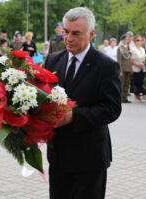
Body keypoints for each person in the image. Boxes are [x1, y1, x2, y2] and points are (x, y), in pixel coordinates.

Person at [43, 7, 121, 199]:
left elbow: (112, 109)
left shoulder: (106, 66)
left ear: (91, 34)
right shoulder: (53, 61)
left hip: (89, 158)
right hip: (59, 155)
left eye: (76, 33)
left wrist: (74, 117)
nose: (68, 38)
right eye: (66, 31)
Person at [131, 35, 146, 102]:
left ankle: (139, 96)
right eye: (137, 40)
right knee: (135, 82)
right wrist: (137, 65)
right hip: (135, 67)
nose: (139, 42)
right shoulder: (132, 49)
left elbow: (144, 58)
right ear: (134, 41)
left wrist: (143, 63)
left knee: (141, 82)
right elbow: (131, 60)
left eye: (140, 40)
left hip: (142, 67)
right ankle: (136, 96)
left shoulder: (143, 49)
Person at [117, 33, 132, 103]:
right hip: (123, 68)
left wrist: (131, 68)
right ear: (122, 40)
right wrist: (120, 70)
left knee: (127, 84)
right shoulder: (120, 48)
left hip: (128, 68)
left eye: (127, 39)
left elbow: (130, 59)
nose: (126, 40)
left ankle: (125, 97)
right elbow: (119, 60)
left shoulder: (128, 47)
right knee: (122, 84)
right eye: (125, 39)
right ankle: (120, 98)